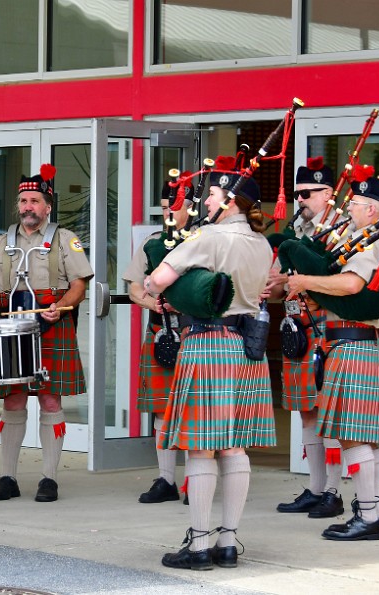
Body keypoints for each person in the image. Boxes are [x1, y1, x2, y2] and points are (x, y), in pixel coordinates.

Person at [145, 172, 275, 571]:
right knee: (234, 446)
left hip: (208, 342)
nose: (204, 202)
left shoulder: (208, 238)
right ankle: (229, 542)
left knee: (201, 447)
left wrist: (161, 284)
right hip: (248, 348)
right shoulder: (263, 243)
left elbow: (155, 282)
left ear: (231, 201)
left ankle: (199, 545)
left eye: (213, 195)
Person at [0, 164, 94, 503]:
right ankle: (8, 477)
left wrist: (62, 305)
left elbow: (79, 286)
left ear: (47, 206)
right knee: (13, 400)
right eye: (23, 200)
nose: (28, 206)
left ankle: (49, 479)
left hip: (51, 325)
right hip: (9, 328)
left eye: (34, 200)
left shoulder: (66, 240)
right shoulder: (0, 243)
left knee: (51, 399)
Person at [285, 174, 379, 541]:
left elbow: (350, 285)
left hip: (353, 341)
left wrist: (307, 282)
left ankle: (368, 516)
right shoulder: (359, 239)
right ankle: (371, 512)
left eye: (355, 203)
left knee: (353, 437)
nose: (348, 207)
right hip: (349, 342)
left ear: (370, 210)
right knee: (360, 436)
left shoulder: (371, 243)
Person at [265, 158, 344, 519]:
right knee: (308, 412)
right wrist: (276, 286)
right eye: (297, 194)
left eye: (308, 193)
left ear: (328, 194)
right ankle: (315, 488)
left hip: (327, 325)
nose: (301, 200)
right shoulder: (298, 233)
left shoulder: (342, 230)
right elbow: (283, 289)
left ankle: (334, 491)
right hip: (298, 327)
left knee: (329, 413)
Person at [122, 181, 186, 504]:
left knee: (195, 408)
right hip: (161, 332)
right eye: (163, 208)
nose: (168, 214)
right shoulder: (152, 244)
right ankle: (167, 480)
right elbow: (135, 288)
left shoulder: (206, 242)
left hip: (195, 335)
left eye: (173, 206)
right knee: (162, 411)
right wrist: (155, 304)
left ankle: (195, 481)